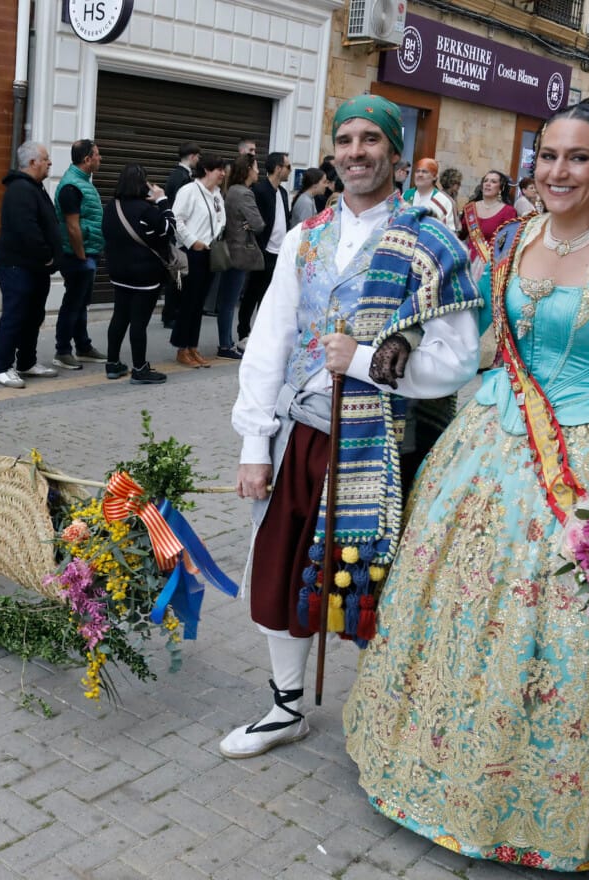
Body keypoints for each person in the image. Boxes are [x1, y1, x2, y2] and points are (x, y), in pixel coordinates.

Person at [344, 97, 589, 870]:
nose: (558, 172)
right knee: (462, 614)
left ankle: (585, 813)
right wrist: (408, 333)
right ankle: (444, 775)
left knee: (580, 636)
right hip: (489, 445)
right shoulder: (516, 236)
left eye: (578, 157)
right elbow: (481, 331)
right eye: (548, 156)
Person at [222, 94, 482, 761]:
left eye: (371, 139)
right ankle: (285, 708)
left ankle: (387, 721)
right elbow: (270, 341)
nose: (356, 152)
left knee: (383, 585)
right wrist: (254, 443)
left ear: (396, 152)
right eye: (346, 140)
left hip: (388, 444)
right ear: (333, 151)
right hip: (302, 433)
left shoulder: (431, 241)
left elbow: (457, 359)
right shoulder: (306, 237)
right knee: (281, 569)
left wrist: (364, 361)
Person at [0, 141, 62, 389]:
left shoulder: (35, 188)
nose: (49, 162)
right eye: (45, 158)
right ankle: (2, 367)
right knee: (15, 315)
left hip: (34, 267)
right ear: (32, 162)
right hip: (17, 266)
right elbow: (27, 229)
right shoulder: (20, 190)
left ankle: (26, 362)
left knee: (33, 315)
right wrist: (47, 255)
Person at [101, 163, 174, 385]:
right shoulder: (146, 210)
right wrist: (163, 201)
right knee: (139, 322)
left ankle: (112, 363)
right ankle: (140, 369)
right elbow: (169, 230)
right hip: (145, 275)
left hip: (119, 273)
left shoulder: (111, 207)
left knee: (119, 316)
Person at [52, 139, 106, 370]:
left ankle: (83, 346)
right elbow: (72, 227)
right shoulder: (71, 187)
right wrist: (82, 257)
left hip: (87, 252)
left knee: (81, 303)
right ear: (87, 159)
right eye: (97, 154)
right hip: (77, 256)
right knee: (73, 304)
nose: (100, 158)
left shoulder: (82, 182)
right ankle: (63, 351)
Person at [171, 153, 226, 368]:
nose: (223, 174)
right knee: (189, 302)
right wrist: (193, 241)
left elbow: (221, 219)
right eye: (219, 169)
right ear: (206, 170)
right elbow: (176, 219)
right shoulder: (189, 191)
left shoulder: (217, 194)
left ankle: (192, 346)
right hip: (192, 252)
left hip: (209, 252)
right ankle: (181, 348)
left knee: (199, 303)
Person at [237, 152, 291, 347]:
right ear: (278, 168)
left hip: (279, 252)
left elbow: (285, 219)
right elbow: (253, 221)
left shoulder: (283, 192)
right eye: (288, 167)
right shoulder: (259, 190)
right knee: (252, 293)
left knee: (269, 297)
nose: (290, 171)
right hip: (262, 251)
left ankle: (262, 333)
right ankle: (243, 332)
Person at [217, 153, 266, 361]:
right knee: (229, 301)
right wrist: (247, 225)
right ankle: (226, 344)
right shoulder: (245, 193)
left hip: (228, 250)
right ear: (248, 170)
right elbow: (259, 224)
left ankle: (226, 342)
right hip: (239, 252)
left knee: (227, 300)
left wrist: (244, 224)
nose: (258, 171)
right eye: (255, 167)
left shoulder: (231, 190)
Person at [161, 142, 200, 329]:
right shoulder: (183, 178)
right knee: (177, 274)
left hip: (174, 231)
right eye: (197, 157)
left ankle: (170, 313)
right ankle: (171, 314)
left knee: (176, 273)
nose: (198, 160)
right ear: (192, 156)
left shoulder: (177, 174)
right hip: (178, 234)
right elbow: (180, 209)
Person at [459, 170, 518, 280]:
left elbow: (509, 244)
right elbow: (461, 235)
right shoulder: (470, 209)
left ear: (501, 188)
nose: (488, 184)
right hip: (468, 263)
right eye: (486, 181)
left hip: (491, 267)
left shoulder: (508, 212)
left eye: (493, 181)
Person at [409, 158, 458, 232]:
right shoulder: (405, 196)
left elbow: (449, 232)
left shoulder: (444, 201)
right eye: (417, 171)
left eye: (425, 172)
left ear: (434, 177)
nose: (420, 174)